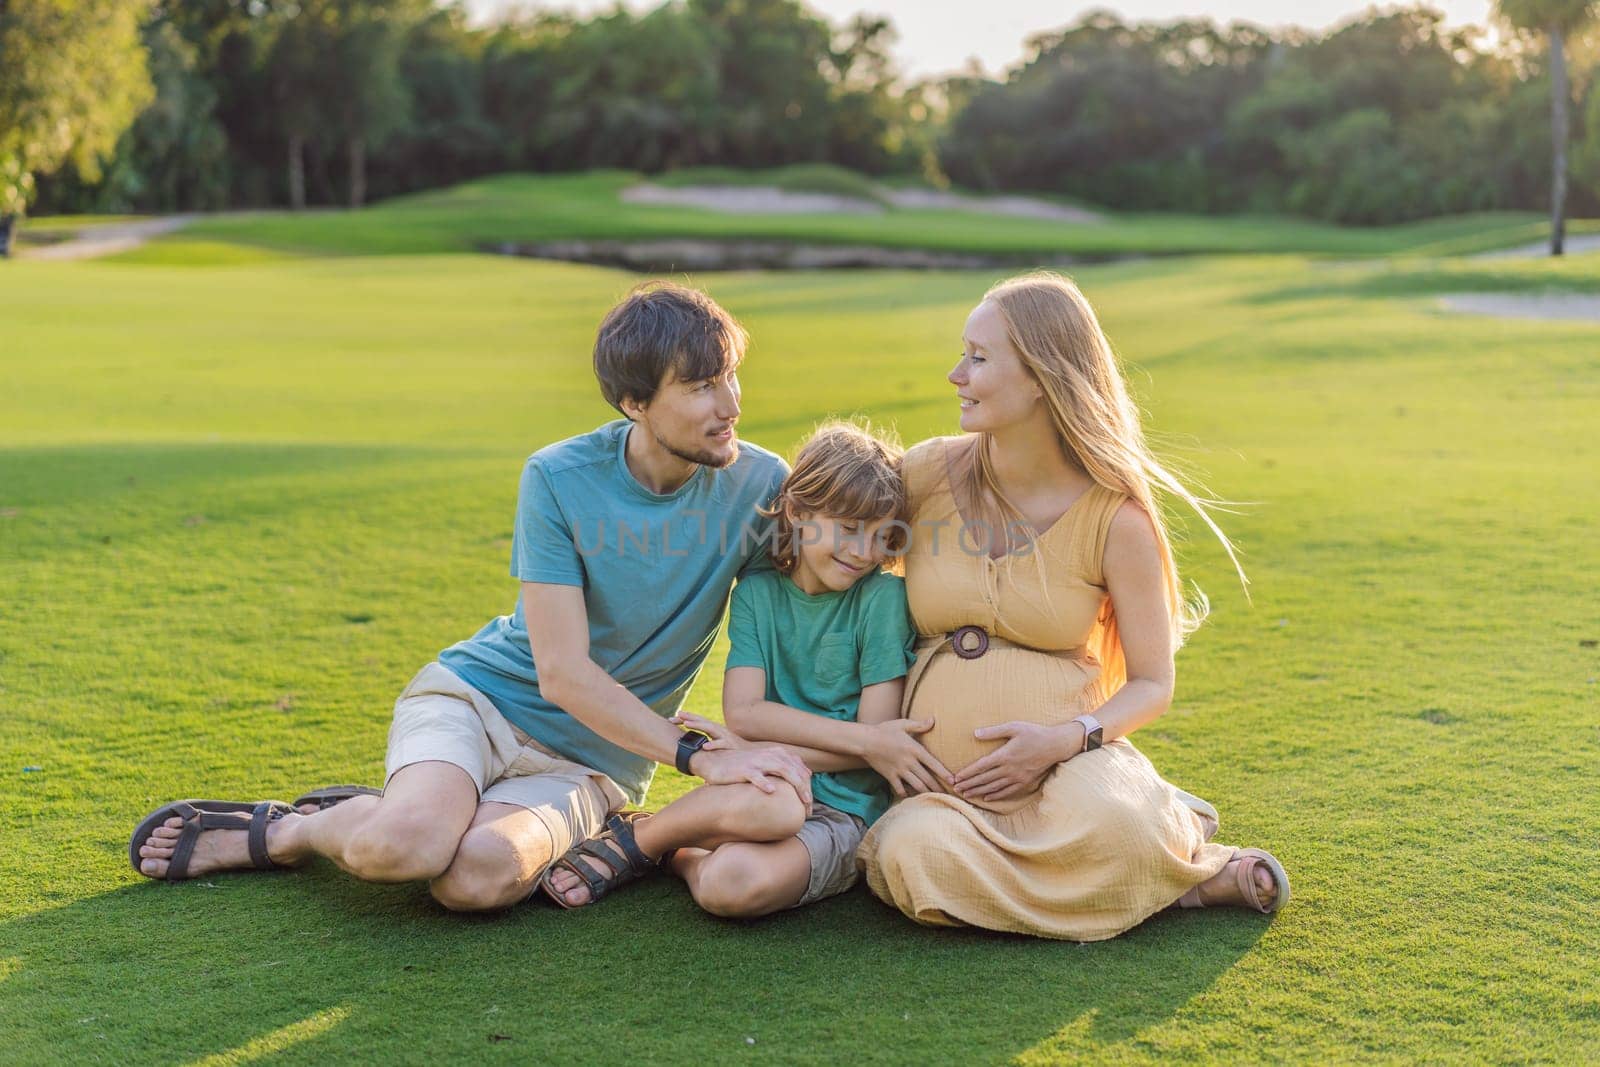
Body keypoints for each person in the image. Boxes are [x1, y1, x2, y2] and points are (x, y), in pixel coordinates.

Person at [129, 281, 814, 912]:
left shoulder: (760, 485)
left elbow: (798, 612)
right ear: (634, 403)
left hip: (594, 762)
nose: (730, 405)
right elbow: (562, 672)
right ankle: (292, 831)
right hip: (482, 700)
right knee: (403, 847)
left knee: (474, 879)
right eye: (700, 386)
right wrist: (696, 755)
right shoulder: (557, 475)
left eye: (729, 376)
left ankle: (410, 807)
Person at [856, 270, 1290, 941]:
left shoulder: (1115, 520)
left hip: (1069, 767)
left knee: (1116, 825)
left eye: (978, 358)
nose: (954, 374)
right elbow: (832, 558)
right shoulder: (924, 474)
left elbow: (1151, 684)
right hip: (945, 791)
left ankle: (1156, 843)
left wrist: (1063, 740)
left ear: (1041, 377)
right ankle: (1172, 875)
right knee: (912, 859)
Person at [539, 422, 950, 916]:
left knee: (728, 886)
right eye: (848, 529)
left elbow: (874, 747)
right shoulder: (756, 594)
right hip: (759, 790)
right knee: (774, 804)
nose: (864, 552)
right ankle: (639, 840)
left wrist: (761, 750)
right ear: (797, 512)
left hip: (844, 809)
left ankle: (673, 850)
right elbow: (746, 713)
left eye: (882, 536)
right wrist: (764, 748)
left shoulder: (881, 598)